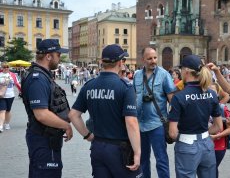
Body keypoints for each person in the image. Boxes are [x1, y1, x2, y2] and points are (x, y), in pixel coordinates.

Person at [68, 44, 142, 178]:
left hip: (98, 146)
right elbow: (131, 122)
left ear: (102, 62)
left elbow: (73, 115)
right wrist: (137, 152)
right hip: (120, 149)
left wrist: (87, 135)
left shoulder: (89, 86)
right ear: (120, 63)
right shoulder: (125, 87)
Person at [21, 39, 73, 178]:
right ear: (48, 56)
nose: (59, 58)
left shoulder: (43, 75)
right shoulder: (37, 79)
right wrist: (66, 125)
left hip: (47, 138)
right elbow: (41, 114)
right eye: (58, 55)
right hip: (43, 139)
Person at [168, 54, 223, 178]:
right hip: (207, 144)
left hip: (186, 145)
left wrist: (186, 138)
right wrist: (202, 134)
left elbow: (172, 133)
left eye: (181, 69)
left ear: (186, 71)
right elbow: (218, 126)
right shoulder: (211, 94)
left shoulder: (179, 97)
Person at [133, 46, 176, 178]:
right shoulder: (137, 75)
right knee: (143, 159)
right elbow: (134, 97)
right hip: (140, 124)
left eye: (155, 57)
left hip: (158, 124)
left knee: (161, 159)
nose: (153, 61)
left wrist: (173, 124)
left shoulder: (164, 75)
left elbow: (172, 101)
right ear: (143, 60)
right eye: (149, 58)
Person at [209, 82, 230, 178]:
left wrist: (216, 136)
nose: (211, 92)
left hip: (218, 146)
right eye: (208, 90)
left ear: (218, 93)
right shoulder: (202, 106)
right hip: (205, 145)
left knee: (212, 169)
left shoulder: (222, 108)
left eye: (213, 91)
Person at [0, 62, 21, 132]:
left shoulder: (12, 75)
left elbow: (17, 84)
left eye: (7, 67)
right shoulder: (0, 74)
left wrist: (22, 91)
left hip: (10, 95)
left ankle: (7, 123)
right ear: (2, 68)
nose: (6, 68)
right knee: (2, 110)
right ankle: (1, 126)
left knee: (8, 111)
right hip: (1, 96)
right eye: (4, 67)